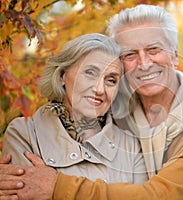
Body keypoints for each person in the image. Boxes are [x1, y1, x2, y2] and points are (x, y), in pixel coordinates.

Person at [0, 4, 183, 200]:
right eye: (130, 55)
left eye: (154, 49)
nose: (144, 64)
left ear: (175, 55)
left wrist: (57, 186)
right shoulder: (123, 107)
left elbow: (159, 196)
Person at [1, 33, 148, 185]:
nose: (99, 89)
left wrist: (55, 188)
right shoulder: (25, 134)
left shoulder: (130, 145)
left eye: (111, 80)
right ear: (62, 76)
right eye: (90, 73)